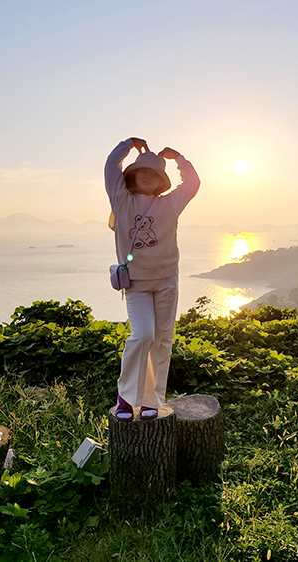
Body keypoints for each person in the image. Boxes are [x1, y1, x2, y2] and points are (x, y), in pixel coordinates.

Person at [105, 137, 200, 420]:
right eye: (142, 171)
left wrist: (179, 159)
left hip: (167, 281)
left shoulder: (170, 203)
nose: (147, 175)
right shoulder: (121, 199)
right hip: (136, 285)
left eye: (154, 173)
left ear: (161, 181)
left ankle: (151, 400)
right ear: (133, 175)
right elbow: (111, 165)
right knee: (143, 335)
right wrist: (128, 144)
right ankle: (125, 396)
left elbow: (193, 184)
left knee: (161, 341)